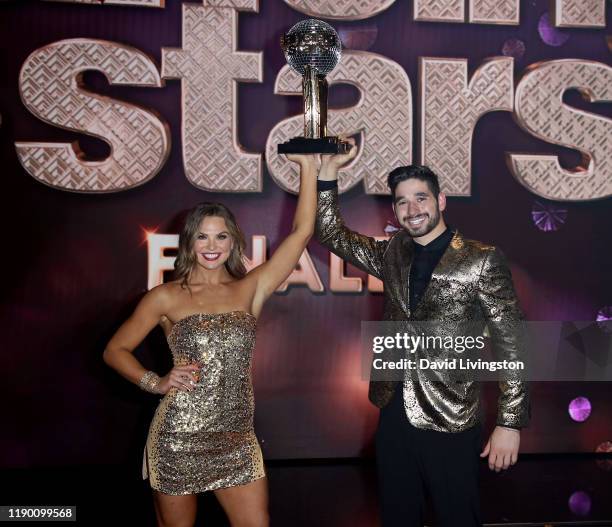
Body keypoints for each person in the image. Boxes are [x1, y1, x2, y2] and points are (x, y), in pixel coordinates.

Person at [315, 138, 530, 527]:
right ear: (394, 209)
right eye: (402, 202)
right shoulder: (392, 251)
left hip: (451, 413)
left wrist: (510, 422)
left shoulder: (482, 258)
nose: (412, 210)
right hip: (393, 407)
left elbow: (512, 339)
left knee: (457, 517)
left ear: (441, 200)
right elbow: (330, 233)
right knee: (398, 516)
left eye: (421, 198)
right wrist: (328, 175)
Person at [103, 153, 317, 527]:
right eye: (202, 236)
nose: (211, 244)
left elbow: (301, 232)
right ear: (189, 243)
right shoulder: (165, 296)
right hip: (178, 437)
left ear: (234, 242)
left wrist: (308, 167)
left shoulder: (252, 288)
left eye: (221, 236)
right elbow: (114, 351)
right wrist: (155, 381)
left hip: (237, 437)